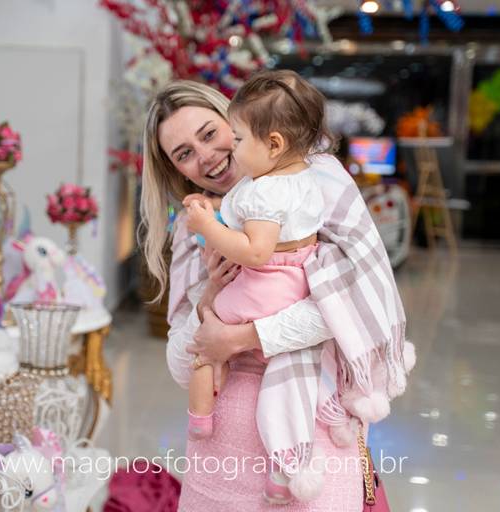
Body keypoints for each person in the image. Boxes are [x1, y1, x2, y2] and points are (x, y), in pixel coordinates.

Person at [141, 78, 410, 511]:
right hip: (220, 455)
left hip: (313, 441)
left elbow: (352, 306)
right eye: (184, 154)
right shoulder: (196, 229)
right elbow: (180, 366)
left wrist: (244, 337)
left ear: (240, 124)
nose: (206, 156)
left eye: (210, 134)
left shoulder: (314, 185)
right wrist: (210, 297)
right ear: (176, 170)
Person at [179, 70, 339, 504]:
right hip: (290, 283)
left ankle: (200, 416)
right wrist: (213, 210)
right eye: (184, 153)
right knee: (284, 385)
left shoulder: (265, 190)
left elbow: (255, 250)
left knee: (206, 335)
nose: (228, 150)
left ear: (273, 144)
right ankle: (282, 470)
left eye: (233, 138)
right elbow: (251, 216)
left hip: (266, 285)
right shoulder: (302, 178)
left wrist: (206, 226)